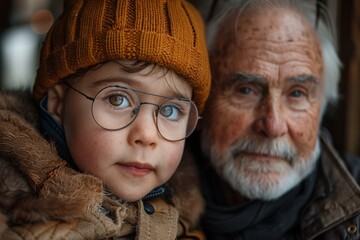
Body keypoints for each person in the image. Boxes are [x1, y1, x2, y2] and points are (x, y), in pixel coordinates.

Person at [0, 0, 210, 239]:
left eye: (170, 111)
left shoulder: (183, 217)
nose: (148, 135)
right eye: (117, 100)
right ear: (58, 103)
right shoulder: (11, 209)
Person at [185, 0, 360, 239]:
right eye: (246, 90)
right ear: (200, 100)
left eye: (297, 93)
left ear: (321, 108)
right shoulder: (142, 202)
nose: (273, 125)